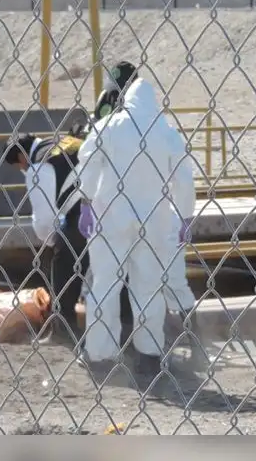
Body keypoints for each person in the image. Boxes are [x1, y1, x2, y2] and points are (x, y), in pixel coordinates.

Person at [76, 76, 196, 377]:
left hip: (111, 217)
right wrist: (185, 215)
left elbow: (87, 162)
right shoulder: (167, 133)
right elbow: (183, 178)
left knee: (104, 286)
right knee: (149, 288)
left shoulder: (110, 127)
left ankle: (101, 355)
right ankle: (149, 355)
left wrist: (86, 202)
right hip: (154, 220)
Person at [3, 133, 134, 345]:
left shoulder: (39, 166)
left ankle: (64, 329)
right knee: (118, 271)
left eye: (19, 165)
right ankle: (128, 329)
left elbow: (45, 220)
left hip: (83, 215)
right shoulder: (66, 139)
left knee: (64, 265)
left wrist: (56, 243)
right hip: (117, 206)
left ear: (21, 156)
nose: (22, 169)